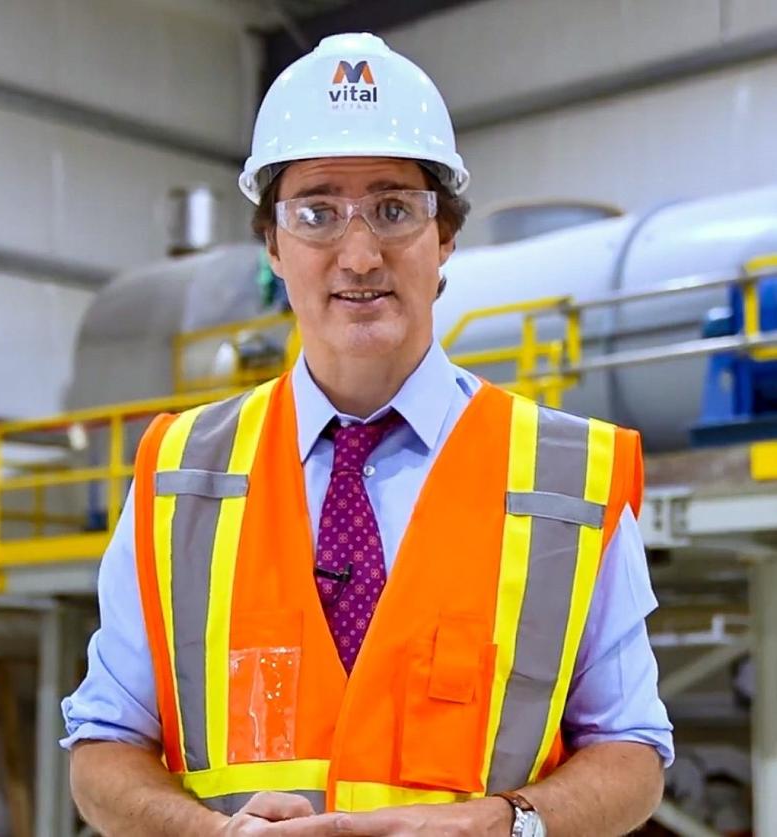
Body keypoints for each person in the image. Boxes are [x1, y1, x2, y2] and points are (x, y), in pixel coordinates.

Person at [63, 32, 673, 837]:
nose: (357, 256)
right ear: (272, 244)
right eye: (316, 213)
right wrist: (210, 832)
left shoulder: (566, 478)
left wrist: (504, 823)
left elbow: (631, 749)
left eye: (393, 210)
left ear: (444, 236)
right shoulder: (179, 476)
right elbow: (104, 746)